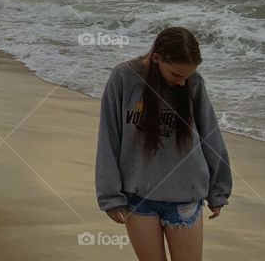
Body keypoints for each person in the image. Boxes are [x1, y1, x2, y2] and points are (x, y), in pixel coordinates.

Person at [95, 27, 232, 260]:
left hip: (185, 197)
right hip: (138, 199)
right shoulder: (123, 78)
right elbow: (109, 138)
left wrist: (219, 191)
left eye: (187, 76)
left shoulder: (193, 83)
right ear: (156, 58)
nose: (182, 82)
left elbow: (211, 136)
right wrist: (110, 197)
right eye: (177, 74)